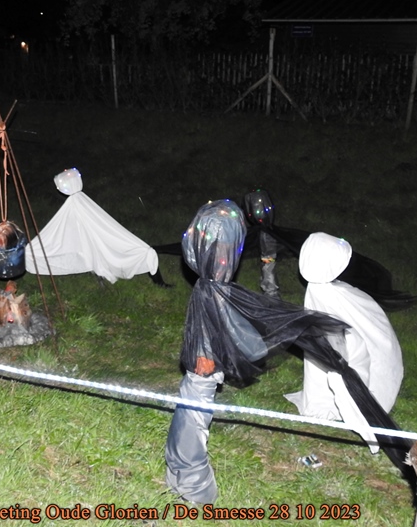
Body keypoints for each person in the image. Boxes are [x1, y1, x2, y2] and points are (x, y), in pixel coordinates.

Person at [164, 200, 349, 502]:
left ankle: (183, 472)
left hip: (204, 355)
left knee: (194, 404)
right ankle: (191, 481)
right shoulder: (212, 291)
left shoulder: (211, 288)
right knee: (194, 408)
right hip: (203, 367)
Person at [285, 232, 404, 454]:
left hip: (368, 363)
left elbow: (350, 342)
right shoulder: (327, 294)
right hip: (355, 352)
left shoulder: (333, 294)